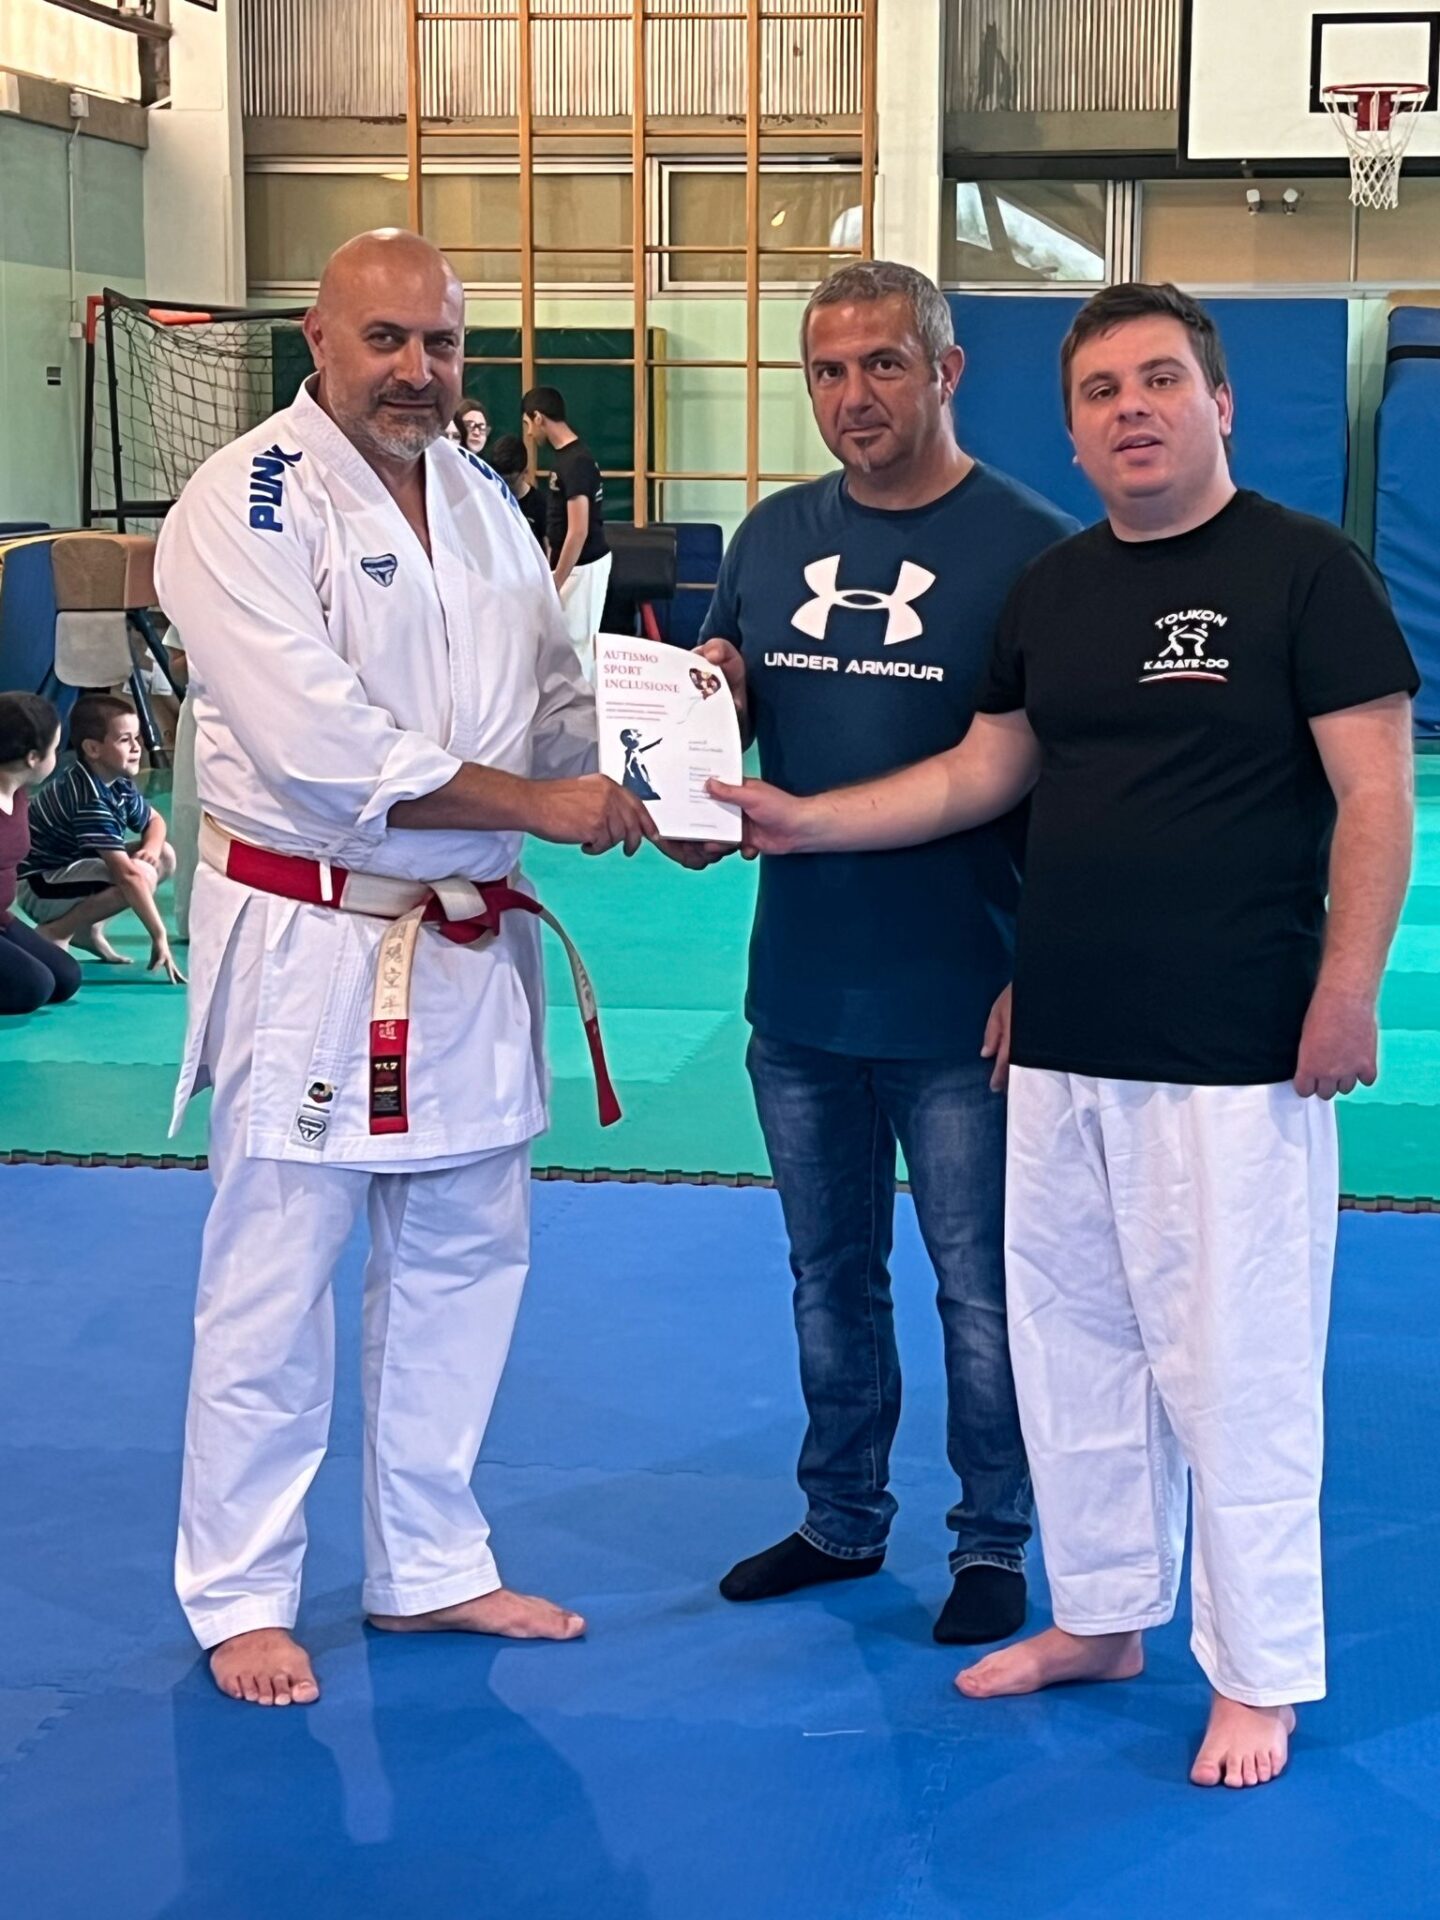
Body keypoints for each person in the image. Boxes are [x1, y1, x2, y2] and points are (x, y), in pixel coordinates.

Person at [714, 281, 1418, 1787]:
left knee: (1233, 1368)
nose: (1131, 410)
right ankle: (1101, 1615)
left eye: (1159, 381)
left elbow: (1375, 794)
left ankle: (1258, 1673)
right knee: (1072, 1345)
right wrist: (808, 820)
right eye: (1102, 392)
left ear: (1220, 404)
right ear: (1076, 429)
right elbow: (982, 774)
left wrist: (1348, 987)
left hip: (1237, 1045)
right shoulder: (1057, 589)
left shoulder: (1308, 573)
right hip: (1059, 1039)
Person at [153, 228, 656, 1710]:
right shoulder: (245, 500)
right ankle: (242, 1591)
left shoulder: (482, 498)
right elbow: (324, 751)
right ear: (317, 339)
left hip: (467, 937)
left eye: (441, 342)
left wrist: (653, 781)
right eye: (386, 339)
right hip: (315, 939)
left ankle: (428, 1562)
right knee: (276, 1277)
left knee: (464, 1258)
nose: (418, 370)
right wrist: (540, 804)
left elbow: (553, 702)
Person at [695, 260, 1078, 1645]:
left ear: (946, 371)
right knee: (828, 1277)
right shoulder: (770, 537)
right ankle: (842, 1517)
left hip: (964, 995)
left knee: (981, 1289)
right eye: (828, 370)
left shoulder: (1035, 552)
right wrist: (690, 767)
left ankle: (994, 1540)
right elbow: (721, 727)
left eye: (883, 365)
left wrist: (1046, 967)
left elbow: (1076, 789)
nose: (853, 396)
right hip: (801, 987)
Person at [18, 693, 183, 983]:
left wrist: (151, 847)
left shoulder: (116, 780)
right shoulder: (90, 798)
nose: (137, 747)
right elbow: (128, 876)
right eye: (124, 740)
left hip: (74, 867)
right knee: (140, 875)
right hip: (39, 885)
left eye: (137, 738)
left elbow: (154, 820)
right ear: (93, 748)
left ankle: (87, 930)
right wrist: (159, 936)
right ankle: (56, 930)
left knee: (163, 855)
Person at [521, 385, 612, 679]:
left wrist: (556, 580)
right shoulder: (565, 459)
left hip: (582, 565)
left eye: (527, 424)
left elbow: (578, 530)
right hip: (571, 564)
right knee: (566, 646)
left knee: (578, 649)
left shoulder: (576, 462)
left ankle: (584, 708)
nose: (529, 433)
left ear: (538, 418)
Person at [0, 692, 81, 1016]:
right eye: (55, 749)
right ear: (33, 757)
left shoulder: (18, 793)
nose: (58, 757)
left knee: (66, 977)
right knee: (33, 987)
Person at [486, 432, 549, 555]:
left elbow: (549, 547)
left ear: (525, 472)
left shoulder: (541, 504)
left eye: (510, 481)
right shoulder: (489, 501)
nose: (505, 487)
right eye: (500, 481)